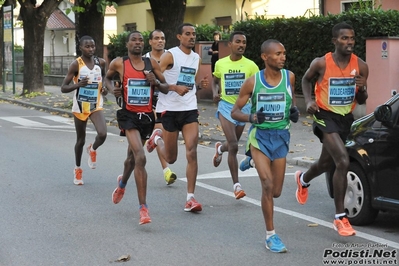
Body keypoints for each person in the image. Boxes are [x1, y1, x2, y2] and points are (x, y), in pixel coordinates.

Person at [295, 22, 368, 237]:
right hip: (324, 115)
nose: (349, 42)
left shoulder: (361, 65)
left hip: (345, 118)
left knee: (326, 162)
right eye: (344, 38)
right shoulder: (321, 63)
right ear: (334, 41)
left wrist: (362, 87)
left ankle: (302, 179)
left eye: (352, 38)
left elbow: (362, 98)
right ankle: (340, 217)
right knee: (343, 161)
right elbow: (306, 80)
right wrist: (308, 101)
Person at [231, 39, 299, 252]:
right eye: (278, 53)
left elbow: (292, 104)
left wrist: (294, 113)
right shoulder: (253, 82)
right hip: (260, 138)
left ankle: (250, 159)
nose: (283, 57)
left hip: (281, 137)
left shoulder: (289, 77)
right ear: (265, 57)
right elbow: (235, 112)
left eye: (284, 53)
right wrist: (251, 117)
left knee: (276, 191)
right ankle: (271, 236)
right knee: (267, 186)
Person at [103, 31, 169, 225]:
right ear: (127, 44)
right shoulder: (119, 63)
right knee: (140, 156)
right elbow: (107, 78)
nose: (138, 43)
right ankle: (143, 209)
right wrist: (112, 88)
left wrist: (155, 82)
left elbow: (165, 87)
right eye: (134, 40)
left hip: (146, 117)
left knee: (131, 159)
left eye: (140, 40)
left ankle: (122, 184)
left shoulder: (151, 64)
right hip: (129, 116)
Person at [146, 23, 209, 212]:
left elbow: (190, 83)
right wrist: (174, 88)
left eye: (194, 34)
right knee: (171, 159)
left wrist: (200, 84)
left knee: (192, 151)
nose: (191, 37)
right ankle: (157, 139)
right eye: (187, 34)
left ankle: (190, 198)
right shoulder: (170, 55)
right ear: (179, 37)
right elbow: (154, 79)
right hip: (169, 110)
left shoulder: (197, 58)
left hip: (189, 108)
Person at [211, 31, 259, 199]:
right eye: (238, 42)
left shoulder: (251, 66)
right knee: (233, 144)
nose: (241, 45)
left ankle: (219, 148)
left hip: (243, 109)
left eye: (244, 42)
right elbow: (215, 79)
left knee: (232, 144)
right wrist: (215, 92)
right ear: (230, 44)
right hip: (225, 106)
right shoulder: (220, 63)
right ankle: (237, 186)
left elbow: (257, 87)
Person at [61, 35, 107, 186]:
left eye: (93, 46)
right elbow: (63, 87)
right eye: (87, 46)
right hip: (80, 106)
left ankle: (93, 149)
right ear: (80, 48)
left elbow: (105, 79)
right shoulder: (76, 65)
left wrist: (105, 89)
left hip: (96, 104)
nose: (91, 49)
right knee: (80, 140)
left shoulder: (101, 62)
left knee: (103, 134)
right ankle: (78, 168)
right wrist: (78, 85)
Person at [144, 29, 177, 185]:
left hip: (168, 100)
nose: (160, 41)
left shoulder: (171, 57)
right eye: (156, 38)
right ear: (150, 42)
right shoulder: (144, 59)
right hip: (148, 100)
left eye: (162, 38)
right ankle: (166, 171)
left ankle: (166, 170)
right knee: (156, 135)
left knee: (159, 134)